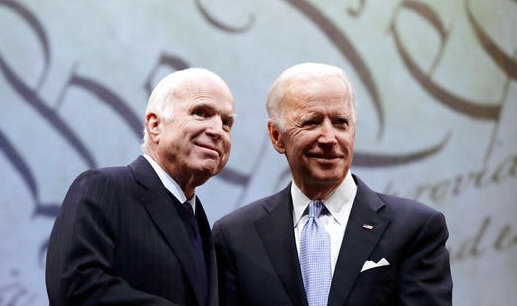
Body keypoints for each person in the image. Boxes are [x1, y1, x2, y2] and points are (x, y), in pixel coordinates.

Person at [213, 63, 452, 305]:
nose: (329, 138)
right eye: (312, 122)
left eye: (340, 122)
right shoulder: (236, 236)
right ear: (276, 136)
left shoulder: (415, 228)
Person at [46, 68, 236, 306]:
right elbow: (75, 287)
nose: (218, 131)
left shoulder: (201, 223)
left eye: (227, 123)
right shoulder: (103, 188)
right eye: (201, 113)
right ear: (155, 125)